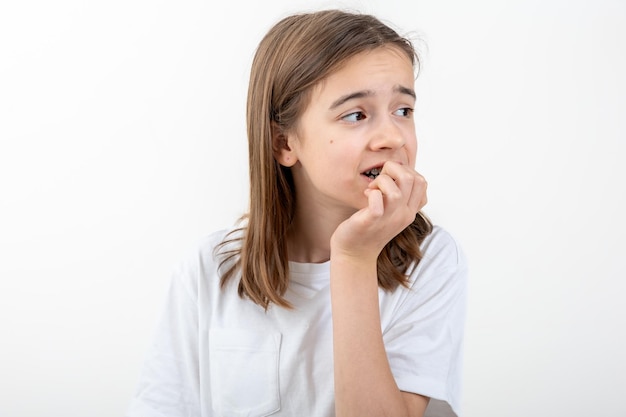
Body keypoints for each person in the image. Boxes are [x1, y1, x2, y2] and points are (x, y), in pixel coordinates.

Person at [126, 9, 467, 417]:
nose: (393, 137)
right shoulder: (207, 271)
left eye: (403, 111)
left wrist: (354, 258)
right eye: (356, 114)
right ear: (284, 144)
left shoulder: (430, 262)